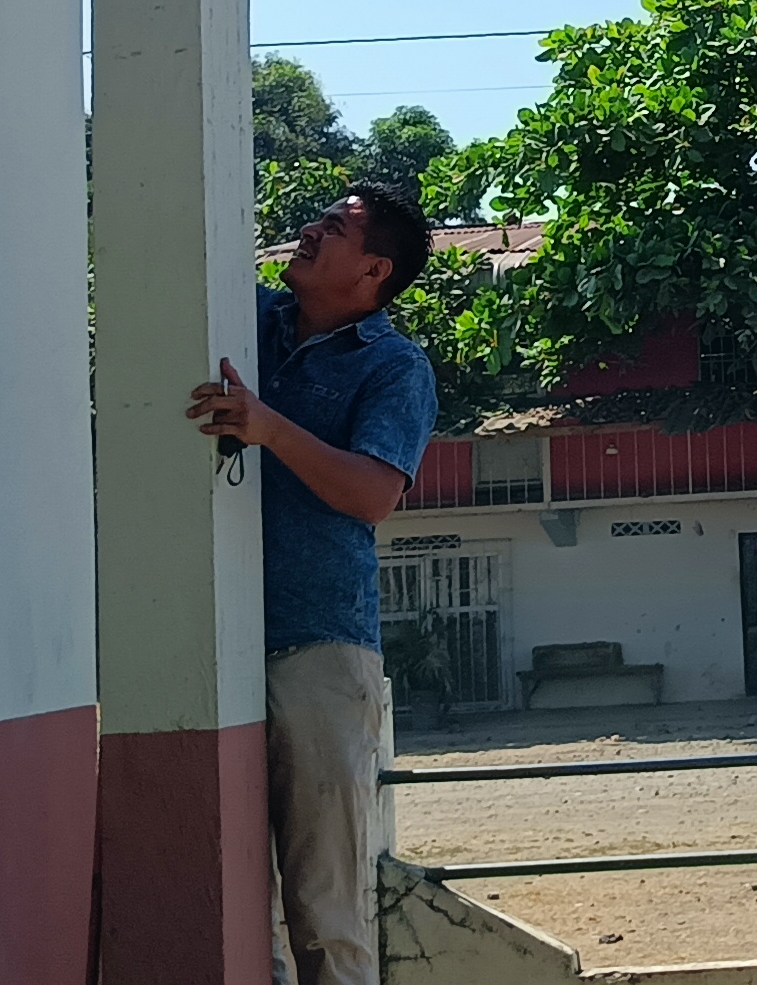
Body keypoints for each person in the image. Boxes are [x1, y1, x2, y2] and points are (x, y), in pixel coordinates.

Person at [188, 181, 439, 985]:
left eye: (335, 227)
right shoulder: (246, 317)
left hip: (320, 650)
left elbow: (373, 495)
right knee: (234, 909)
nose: (309, 230)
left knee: (325, 912)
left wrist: (268, 428)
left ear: (374, 271)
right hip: (212, 643)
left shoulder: (395, 366)